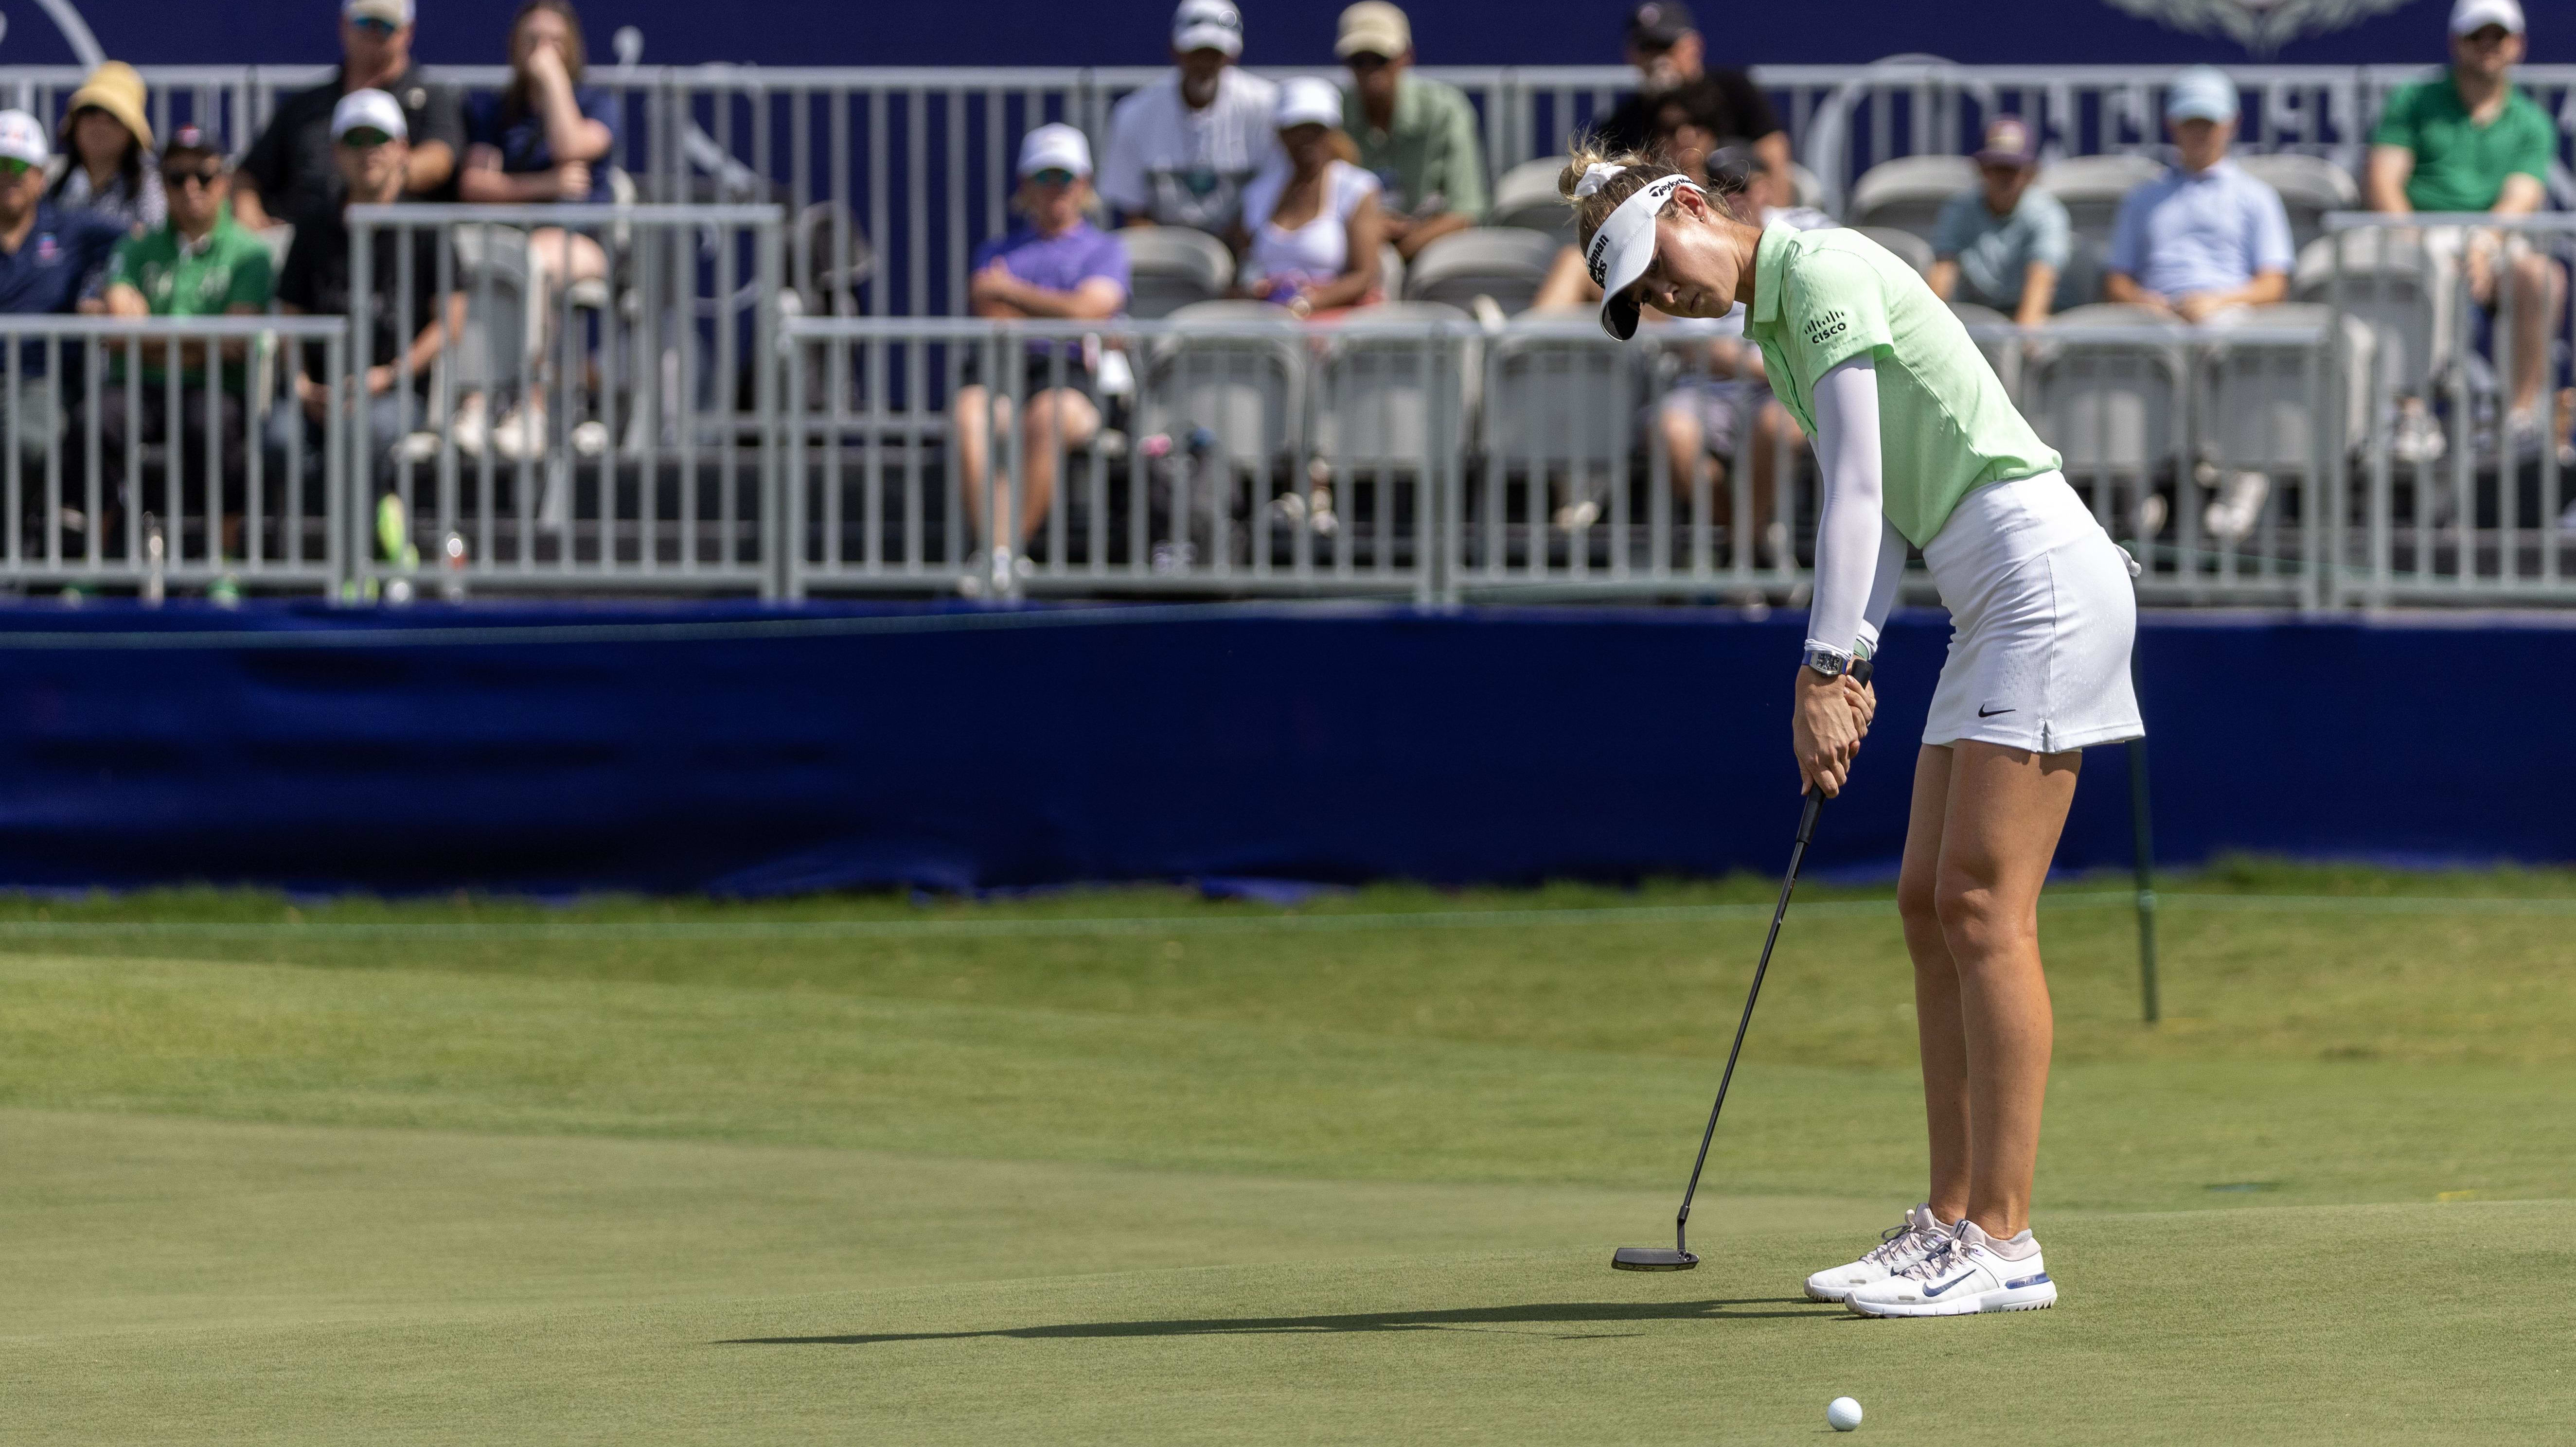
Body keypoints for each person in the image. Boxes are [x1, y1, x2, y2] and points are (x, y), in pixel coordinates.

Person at [1565, 141, 2141, 1318]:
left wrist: (1829, 664)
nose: (1661, 299)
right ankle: (1948, 1218)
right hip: (1986, 585)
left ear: (1688, 205)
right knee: (1927, 899)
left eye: (1651, 266)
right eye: (1635, 300)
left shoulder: (1819, 271)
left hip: (2036, 573)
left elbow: (1862, 492)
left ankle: (2005, 1238)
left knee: (1984, 906)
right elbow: (1874, 522)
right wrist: (1849, 656)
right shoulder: (1776, 323)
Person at [2366, 0, 2564, 450]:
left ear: (2518, 46)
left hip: (2492, 237)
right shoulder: (2414, 100)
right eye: (2478, 37)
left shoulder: (2530, 121)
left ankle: (2519, 418)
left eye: (2498, 37)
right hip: (2420, 233)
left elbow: (2521, 196)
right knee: (2427, 270)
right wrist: (2407, 238)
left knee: (2541, 277)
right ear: (2456, 43)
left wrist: (2484, 241)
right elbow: (2383, 177)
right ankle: (2412, 410)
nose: (2488, 47)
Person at [80, 125, 276, 553]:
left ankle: (223, 562)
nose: (191, 188)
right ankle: (93, 562)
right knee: (95, 419)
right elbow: (117, 335)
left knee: (213, 423)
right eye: (176, 177)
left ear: (224, 181)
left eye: (203, 177)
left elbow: (236, 342)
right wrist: (202, 339)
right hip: (142, 387)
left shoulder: (250, 252)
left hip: (216, 389)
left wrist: (152, 332)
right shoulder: (136, 245)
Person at [954, 124, 1127, 587]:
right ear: (1024, 186)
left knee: (1047, 416)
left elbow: (1089, 312)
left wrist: (1014, 291)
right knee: (968, 414)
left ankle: (998, 556)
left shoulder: (1106, 250)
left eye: (1064, 178)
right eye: (1044, 178)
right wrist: (1063, 310)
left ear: (1084, 184)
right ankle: (1001, 557)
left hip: (1069, 377)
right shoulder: (996, 248)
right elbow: (993, 315)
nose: (1056, 190)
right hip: (1004, 371)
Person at [269, 91, 465, 488]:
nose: (368, 152)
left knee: (363, 430)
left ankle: (371, 538)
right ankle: (304, 544)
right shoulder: (313, 225)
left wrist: (388, 376)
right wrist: (303, 385)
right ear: (336, 152)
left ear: (402, 149)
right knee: (279, 439)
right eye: (355, 140)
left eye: (379, 139)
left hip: (395, 392)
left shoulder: (427, 228)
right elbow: (290, 316)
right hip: (319, 394)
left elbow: (449, 324)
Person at [458, 0, 618, 460]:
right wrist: (543, 185)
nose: (541, 50)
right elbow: (474, 183)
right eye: (532, 40)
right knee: (478, 262)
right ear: (513, 47)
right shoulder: (495, 110)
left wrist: (551, 80)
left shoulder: (597, 103)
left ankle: (532, 405)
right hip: (510, 243)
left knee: (534, 261)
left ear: (573, 50)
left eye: (554, 42)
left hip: (584, 244)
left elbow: (571, 145)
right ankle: (476, 401)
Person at [235, 0, 466, 231]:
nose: (374, 32)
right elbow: (249, 174)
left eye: (386, 24)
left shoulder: (433, 100)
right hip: (310, 248)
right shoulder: (306, 105)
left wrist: (376, 176)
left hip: (400, 247)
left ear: (408, 31)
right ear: (344, 25)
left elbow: (440, 159)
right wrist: (253, 221)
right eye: (364, 22)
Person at [2104, 68, 2292, 323]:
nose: (2199, 133)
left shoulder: (2259, 196)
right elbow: (2118, 282)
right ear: (2171, 124)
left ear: (2233, 123)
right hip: (2153, 324)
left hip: (2233, 320)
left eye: (2208, 123)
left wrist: (2218, 303)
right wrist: (2147, 303)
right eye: (2190, 123)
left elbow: (2273, 285)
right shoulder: (2141, 198)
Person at [0, 110, 131, 465]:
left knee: (27, 442)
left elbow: (139, 241)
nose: (8, 176)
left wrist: (116, 288)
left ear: (40, 177)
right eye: (1, 165)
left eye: (19, 167)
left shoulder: (72, 228)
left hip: (42, 381)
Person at [1097, 0, 1281, 238]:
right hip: (1163, 249)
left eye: (1214, 54)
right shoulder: (1133, 113)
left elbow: (1274, 193)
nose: (1204, 64)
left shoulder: (1265, 107)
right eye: (1196, 53)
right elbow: (1132, 211)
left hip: (1242, 245)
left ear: (1231, 57)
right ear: (1175, 51)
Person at [1598, 2, 1790, 212]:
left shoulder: (1734, 91)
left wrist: (1775, 221)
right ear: (1631, 55)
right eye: (1646, 48)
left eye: (1665, 46)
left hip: (1743, 219)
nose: (1658, 59)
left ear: (1694, 46)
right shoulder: (1623, 123)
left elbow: (1774, 157)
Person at [1335, 2, 1484, 262]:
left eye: (1381, 59)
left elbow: (1466, 212)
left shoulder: (1446, 110)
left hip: (1431, 251)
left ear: (1407, 57)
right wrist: (1370, 231)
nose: (1371, 71)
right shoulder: (1333, 115)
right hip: (1355, 251)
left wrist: (1398, 250)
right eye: (1360, 61)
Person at [1239, 78, 1384, 316]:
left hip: (1333, 320)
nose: (1305, 140)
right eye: (1295, 130)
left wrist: (1306, 304)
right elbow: (1246, 263)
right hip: (1267, 319)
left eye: (1316, 131)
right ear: (1281, 135)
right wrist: (1254, 289)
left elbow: (1366, 275)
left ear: (1332, 134)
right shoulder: (1258, 192)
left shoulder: (1358, 188)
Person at [1928, 116, 2077, 326]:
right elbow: (1943, 272)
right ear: (1982, 170)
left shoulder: (2047, 212)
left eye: (2013, 169)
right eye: (1996, 167)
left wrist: (2020, 338)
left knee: (2038, 339)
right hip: (1979, 316)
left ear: (2031, 174)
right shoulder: (1959, 209)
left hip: (2040, 314)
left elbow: (2041, 282)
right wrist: (1930, 326)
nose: (2004, 177)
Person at [47, 63, 165, 239]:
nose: (100, 124)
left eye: (114, 116)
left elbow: (156, 244)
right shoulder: (61, 187)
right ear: (75, 124)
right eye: (90, 111)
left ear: (131, 132)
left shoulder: (152, 185)